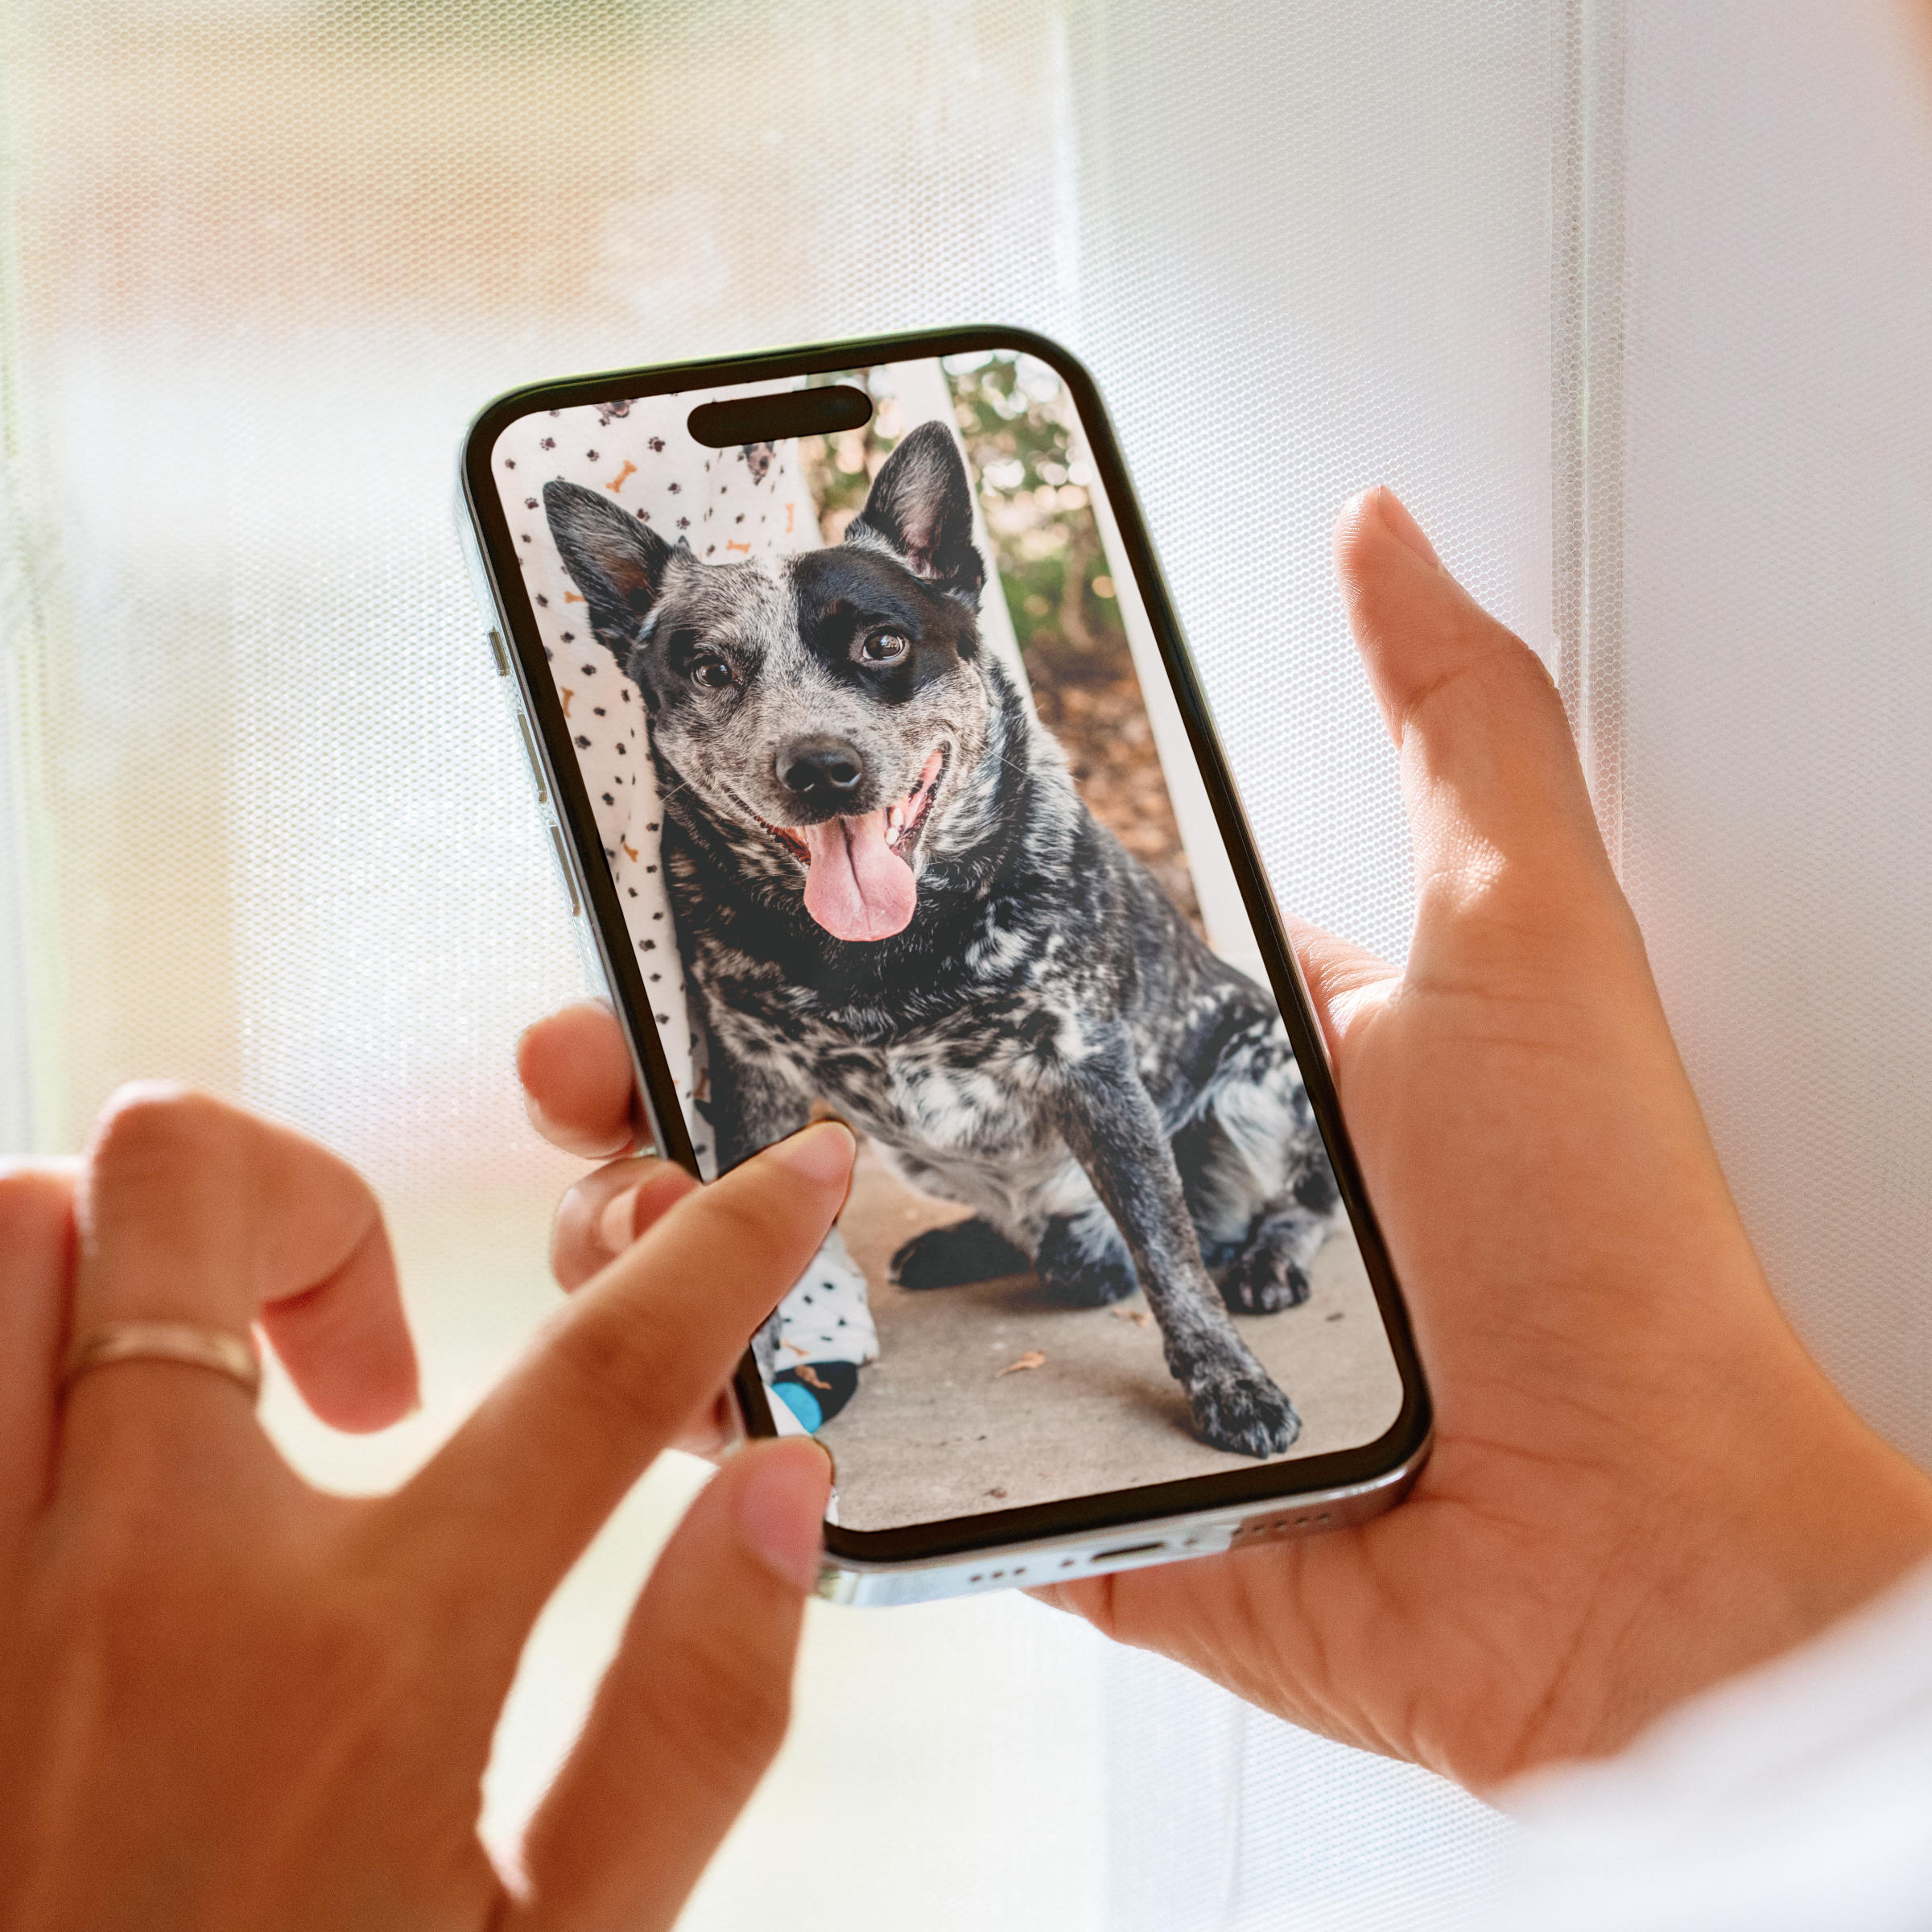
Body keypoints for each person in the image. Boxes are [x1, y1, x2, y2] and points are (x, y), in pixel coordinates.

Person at [5, 486, 1931, 1927]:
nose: (813, 731)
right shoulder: (728, 898)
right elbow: (752, 1115)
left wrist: (1253, 1306)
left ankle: (1192, 1270)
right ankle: (1040, 1245)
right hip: (1002, 1176)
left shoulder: (1031, 853)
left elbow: (1118, 1066)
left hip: (1186, 1109)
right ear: (644, 677)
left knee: (1181, 1107)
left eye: (875, 657)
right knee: (699, 1148)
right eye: (723, 679)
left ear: (951, 637)